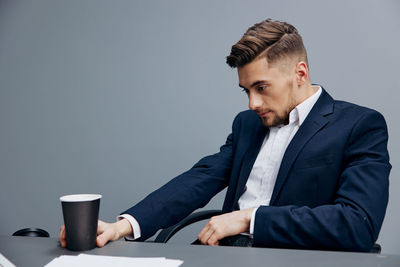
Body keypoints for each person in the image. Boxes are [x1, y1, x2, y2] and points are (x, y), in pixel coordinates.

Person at [59, 19, 391, 252]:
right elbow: (199, 180)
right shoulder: (247, 125)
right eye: (246, 90)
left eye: (261, 88)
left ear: (299, 73)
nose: (252, 103)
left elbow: (357, 224)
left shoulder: (359, 126)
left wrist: (249, 219)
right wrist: (122, 226)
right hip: (220, 254)